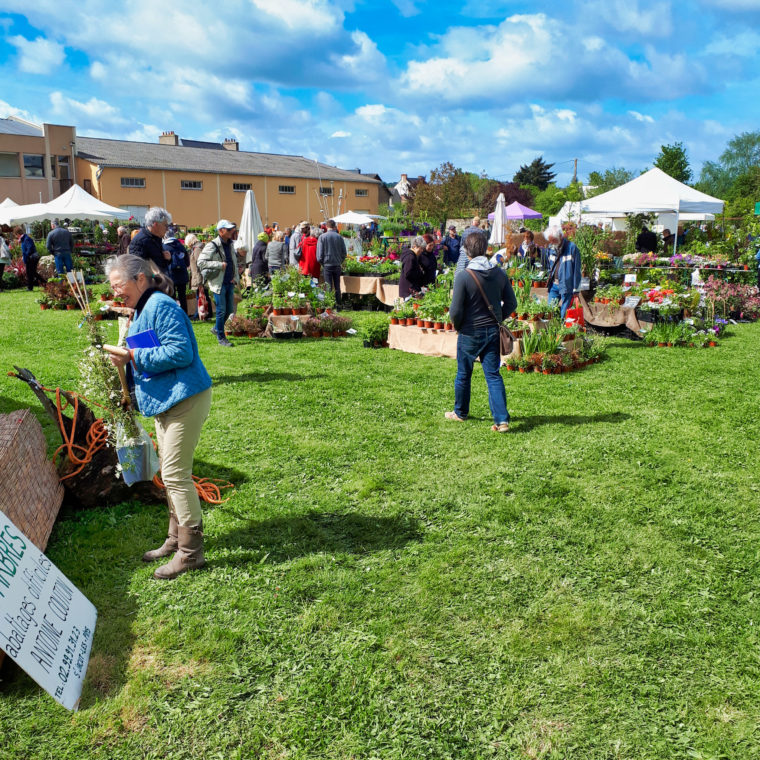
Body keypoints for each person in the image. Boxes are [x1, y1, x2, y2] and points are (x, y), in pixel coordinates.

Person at [105, 255, 212, 580]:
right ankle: (174, 539)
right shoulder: (142, 307)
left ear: (140, 279)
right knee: (168, 474)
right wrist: (127, 365)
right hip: (166, 400)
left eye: (118, 285)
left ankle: (190, 554)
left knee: (177, 476)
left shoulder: (161, 306)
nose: (115, 292)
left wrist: (133, 355)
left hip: (185, 399)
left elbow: (181, 353)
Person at [447, 231, 516, 433]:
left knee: (463, 374)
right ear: (486, 249)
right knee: (493, 375)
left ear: (467, 252)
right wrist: (498, 318)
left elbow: (456, 311)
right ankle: (502, 420)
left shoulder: (464, 276)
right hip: (492, 331)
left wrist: (459, 326)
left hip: (469, 332)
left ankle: (460, 413)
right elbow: (512, 302)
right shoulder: (498, 273)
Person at [198, 220, 239, 347]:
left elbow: (234, 263)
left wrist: (235, 277)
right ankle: (221, 337)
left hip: (229, 281)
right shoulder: (212, 245)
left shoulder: (230, 244)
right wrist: (219, 265)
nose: (231, 231)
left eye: (231, 229)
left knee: (229, 310)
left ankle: (216, 328)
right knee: (221, 311)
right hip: (218, 282)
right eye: (228, 229)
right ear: (221, 231)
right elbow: (201, 262)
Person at [543, 225, 581, 319]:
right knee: (550, 310)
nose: (551, 243)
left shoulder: (572, 248)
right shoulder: (551, 249)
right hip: (554, 285)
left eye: (553, 240)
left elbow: (577, 270)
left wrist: (576, 288)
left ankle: (563, 330)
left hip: (567, 286)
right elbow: (549, 265)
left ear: (560, 236)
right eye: (550, 240)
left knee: (564, 313)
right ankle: (552, 330)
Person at [129, 207, 173, 276]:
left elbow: (159, 264)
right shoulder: (139, 241)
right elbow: (137, 270)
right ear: (155, 224)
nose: (167, 229)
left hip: (160, 283)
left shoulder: (156, 238)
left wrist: (168, 259)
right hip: (150, 285)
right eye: (165, 225)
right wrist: (154, 276)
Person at [316, 219, 347, 307]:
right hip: (337, 264)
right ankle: (339, 304)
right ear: (334, 226)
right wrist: (339, 261)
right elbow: (344, 253)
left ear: (326, 226)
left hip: (327, 265)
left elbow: (319, 255)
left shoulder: (322, 237)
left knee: (328, 286)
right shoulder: (339, 237)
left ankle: (329, 305)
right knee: (337, 286)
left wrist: (323, 263)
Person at [185, 233, 212, 320]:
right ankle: (207, 313)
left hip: (199, 276)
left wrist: (200, 280)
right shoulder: (198, 248)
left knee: (200, 296)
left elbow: (199, 263)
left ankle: (201, 314)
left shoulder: (197, 250)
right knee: (203, 295)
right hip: (199, 275)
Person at [163, 234, 190, 313]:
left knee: (172, 296)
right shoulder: (181, 246)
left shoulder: (164, 247)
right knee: (182, 296)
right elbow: (187, 262)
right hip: (182, 275)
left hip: (170, 275)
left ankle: (174, 314)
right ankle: (185, 314)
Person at [14, 226, 41, 290]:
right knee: (31, 272)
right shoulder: (24, 239)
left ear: (18, 234)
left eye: (16, 235)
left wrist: (26, 255)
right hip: (29, 257)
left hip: (31, 258)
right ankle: (32, 286)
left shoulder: (26, 238)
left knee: (30, 272)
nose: (16, 237)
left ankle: (32, 287)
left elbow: (30, 248)